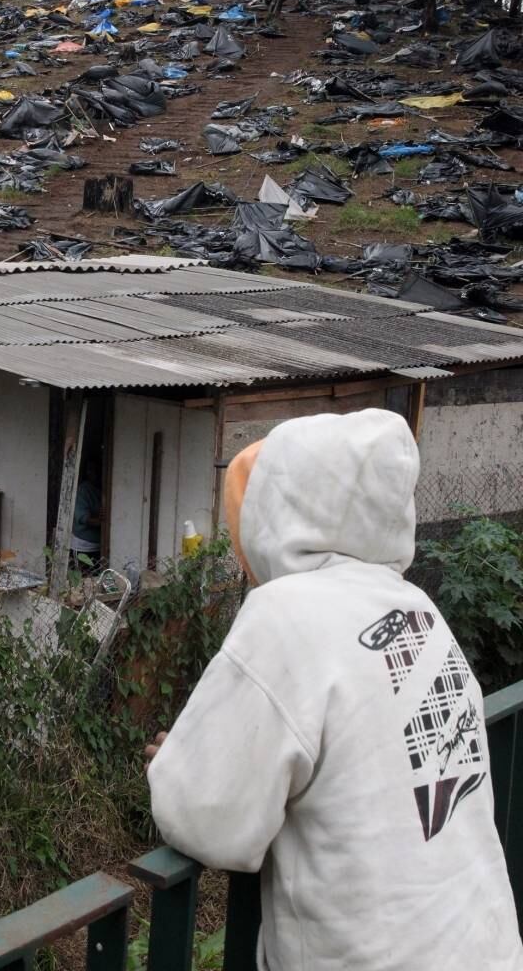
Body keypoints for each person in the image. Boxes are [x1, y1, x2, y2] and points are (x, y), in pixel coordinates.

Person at [147, 409, 523, 971]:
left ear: (285, 504)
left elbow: (210, 819)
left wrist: (178, 765)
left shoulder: (285, 613)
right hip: (484, 946)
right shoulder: (417, 608)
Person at [70, 458, 102, 569]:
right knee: (84, 579)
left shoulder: (104, 488)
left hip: (100, 545)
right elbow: (84, 518)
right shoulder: (83, 490)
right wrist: (101, 521)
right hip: (84, 545)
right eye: (90, 470)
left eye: (96, 469)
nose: (94, 473)